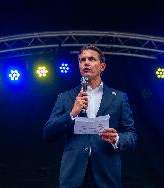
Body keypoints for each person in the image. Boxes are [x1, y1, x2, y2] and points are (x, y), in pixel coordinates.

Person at [43, 45, 137, 188]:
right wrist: (72, 113)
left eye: (91, 59)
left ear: (102, 66)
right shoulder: (65, 97)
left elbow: (131, 135)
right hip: (73, 175)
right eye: (82, 60)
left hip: (106, 175)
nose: (86, 63)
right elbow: (48, 134)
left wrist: (117, 138)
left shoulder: (119, 98)